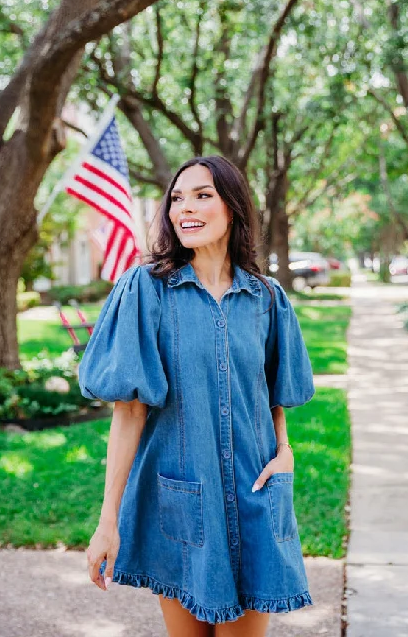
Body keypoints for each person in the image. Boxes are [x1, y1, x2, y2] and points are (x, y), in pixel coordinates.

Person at [79, 155, 316, 637]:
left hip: (257, 491)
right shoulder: (147, 290)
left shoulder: (267, 297)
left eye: (202, 195)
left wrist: (285, 451)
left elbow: (272, 393)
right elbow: (129, 412)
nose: (185, 208)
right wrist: (108, 522)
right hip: (182, 498)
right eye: (177, 198)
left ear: (233, 208)